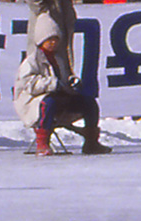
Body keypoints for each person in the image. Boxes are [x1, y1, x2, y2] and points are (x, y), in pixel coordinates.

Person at [13, 12, 108, 155]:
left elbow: (63, 80)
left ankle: (91, 142)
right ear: (41, 40)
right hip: (35, 101)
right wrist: (52, 84)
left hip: (60, 98)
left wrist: (70, 83)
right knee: (48, 103)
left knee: (89, 103)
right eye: (49, 40)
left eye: (55, 39)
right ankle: (43, 143)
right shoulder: (31, 61)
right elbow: (29, 85)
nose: (53, 43)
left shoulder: (59, 59)